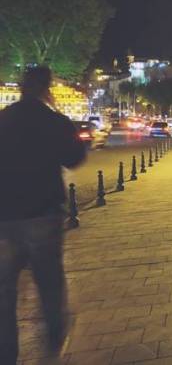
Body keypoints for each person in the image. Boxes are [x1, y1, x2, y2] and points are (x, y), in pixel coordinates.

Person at [0, 66, 87, 364]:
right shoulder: (53, 120)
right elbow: (74, 158)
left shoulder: (4, 119)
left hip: (5, 217)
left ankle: (6, 353)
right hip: (43, 213)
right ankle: (53, 340)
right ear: (46, 88)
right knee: (49, 281)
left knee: (4, 291)